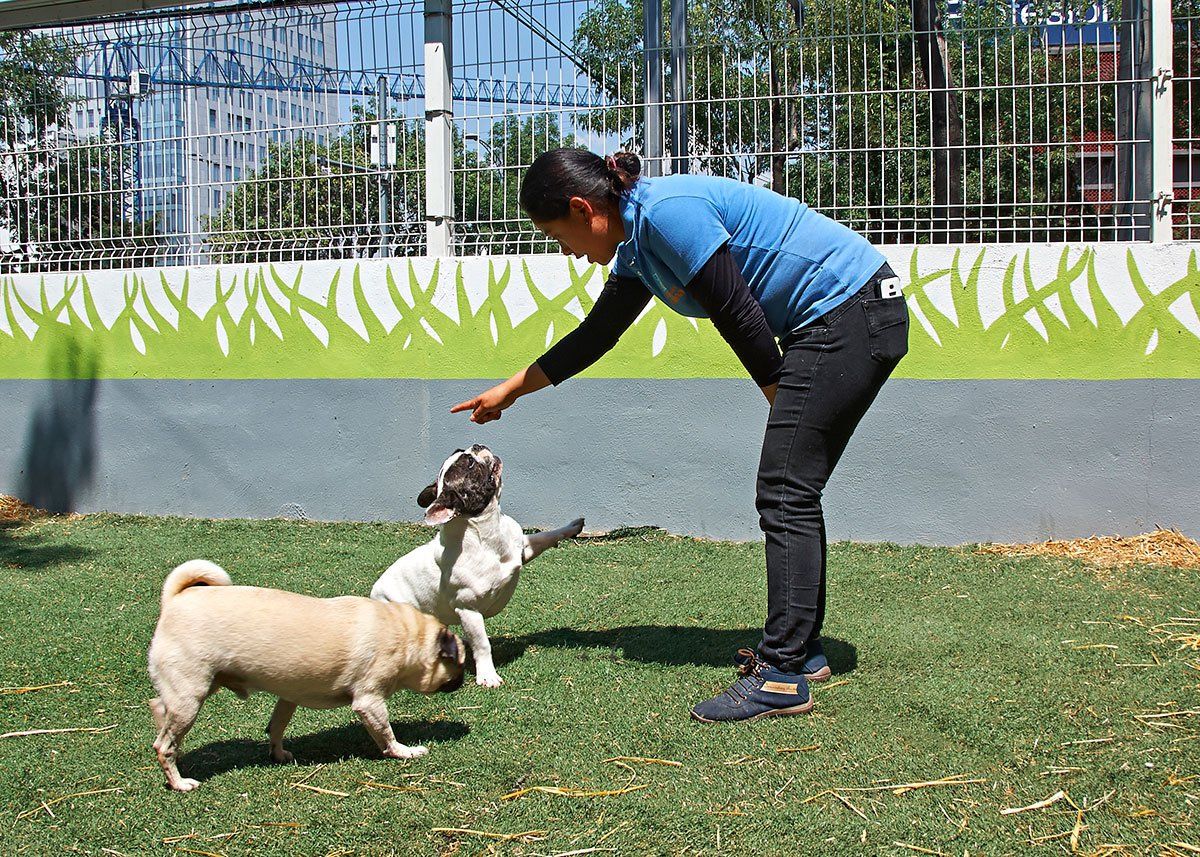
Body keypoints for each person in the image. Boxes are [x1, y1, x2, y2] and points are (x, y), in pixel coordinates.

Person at [451, 148, 908, 723]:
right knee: (791, 487)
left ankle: (785, 674)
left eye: (557, 233)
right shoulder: (640, 241)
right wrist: (511, 389)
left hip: (849, 313)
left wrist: (776, 394)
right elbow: (598, 334)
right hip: (842, 319)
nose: (565, 250)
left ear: (581, 208)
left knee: (786, 488)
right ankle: (802, 654)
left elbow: (735, 309)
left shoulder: (668, 213)